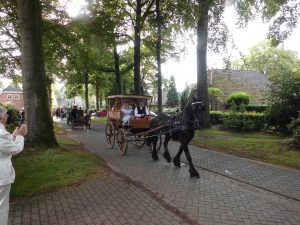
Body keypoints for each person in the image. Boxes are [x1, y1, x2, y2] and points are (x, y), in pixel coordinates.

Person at [0, 105, 27, 225]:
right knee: (2, 208)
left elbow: (3, 145)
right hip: (1, 177)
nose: (7, 116)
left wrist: (14, 136)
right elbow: (15, 149)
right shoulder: (1, 133)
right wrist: (21, 135)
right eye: (5, 114)